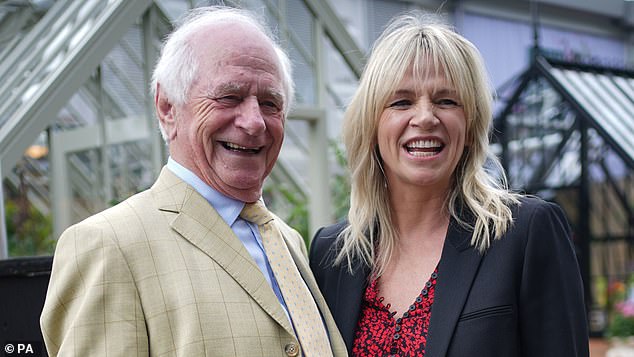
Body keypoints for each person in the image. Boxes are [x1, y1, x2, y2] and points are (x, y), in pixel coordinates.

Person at [40, 6, 346, 357]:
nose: (255, 122)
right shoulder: (108, 245)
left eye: (270, 103)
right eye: (229, 97)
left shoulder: (287, 240)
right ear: (167, 107)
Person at [310, 10, 589, 357]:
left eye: (446, 101)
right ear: (371, 126)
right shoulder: (332, 254)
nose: (426, 117)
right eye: (402, 102)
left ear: (470, 127)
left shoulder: (525, 232)